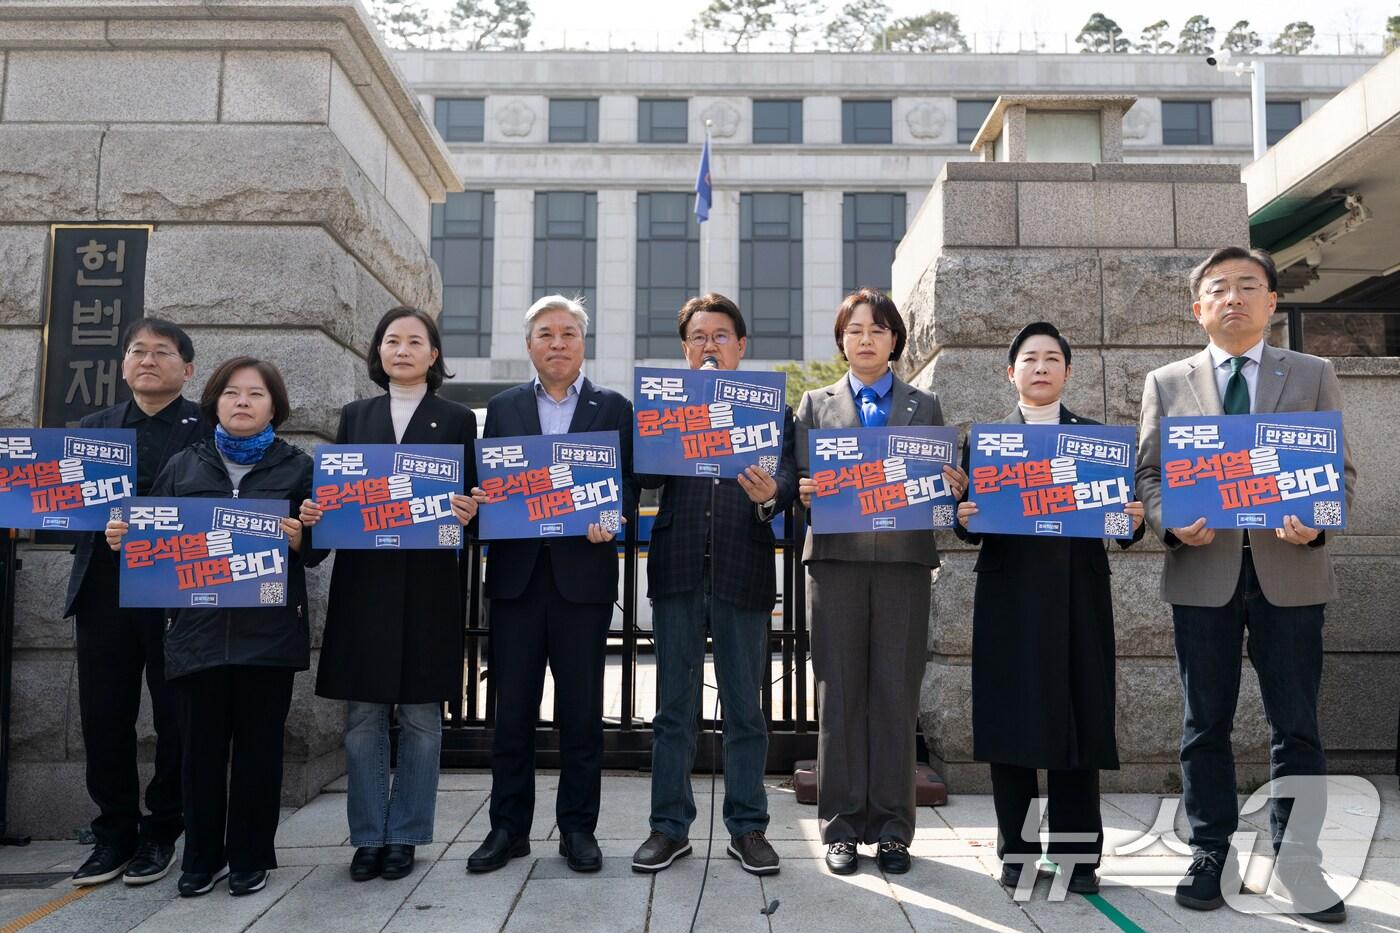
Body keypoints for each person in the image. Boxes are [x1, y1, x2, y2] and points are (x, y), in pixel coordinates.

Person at [1136, 247, 1355, 923]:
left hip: (1290, 571)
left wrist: (1315, 525)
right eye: (1218, 289)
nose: (1233, 298)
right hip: (1204, 573)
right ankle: (1210, 852)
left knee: (1298, 724)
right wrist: (1171, 520)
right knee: (1206, 722)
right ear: (1196, 306)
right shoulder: (1167, 381)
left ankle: (1299, 861)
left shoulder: (1313, 373)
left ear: (1272, 302)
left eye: (1248, 287)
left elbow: (1340, 475)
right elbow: (1148, 477)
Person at [105, 357, 318, 898]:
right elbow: (151, 538)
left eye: (255, 393)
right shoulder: (184, 465)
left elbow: (321, 546)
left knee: (259, 752)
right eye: (231, 392)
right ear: (215, 402)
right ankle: (201, 857)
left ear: (275, 405)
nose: (242, 401)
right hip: (196, 631)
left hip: (268, 632)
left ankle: (250, 856)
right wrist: (123, 538)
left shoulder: (299, 467)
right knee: (197, 753)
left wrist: (301, 539)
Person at [955, 322, 1144, 895]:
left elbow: (1120, 524)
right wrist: (961, 516)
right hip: (1009, 598)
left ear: (1067, 371)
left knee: (1079, 719)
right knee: (1010, 717)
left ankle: (1078, 857)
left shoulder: (1097, 442)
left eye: (1052, 358)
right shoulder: (984, 442)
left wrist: (1132, 521)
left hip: (1078, 596)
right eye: (1029, 358)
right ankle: (1015, 852)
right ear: (1010, 372)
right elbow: (967, 519)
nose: (1041, 367)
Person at [298, 307, 479, 883]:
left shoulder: (455, 420)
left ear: (433, 355)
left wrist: (467, 511)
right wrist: (317, 513)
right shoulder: (355, 416)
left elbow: (471, 508)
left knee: (424, 716)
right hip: (365, 584)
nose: (402, 349)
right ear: (378, 353)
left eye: (415, 341)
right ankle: (367, 835)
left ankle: (406, 834)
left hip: (429, 584)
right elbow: (340, 497)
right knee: (364, 716)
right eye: (391, 340)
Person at [793, 288, 966, 876]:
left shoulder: (927, 405)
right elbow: (794, 484)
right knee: (839, 695)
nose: (865, 338)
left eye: (878, 329)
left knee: (896, 695)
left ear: (896, 340)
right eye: (854, 329)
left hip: (903, 567)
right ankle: (840, 826)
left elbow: (939, 489)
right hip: (836, 566)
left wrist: (951, 483)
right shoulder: (814, 406)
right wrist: (802, 490)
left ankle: (893, 828)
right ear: (841, 340)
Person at [465, 295, 636, 875]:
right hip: (515, 580)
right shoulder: (503, 407)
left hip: (581, 583)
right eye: (545, 334)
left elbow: (630, 491)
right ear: (529, 344)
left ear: (583, 342)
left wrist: (611, 519)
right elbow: (481, 486)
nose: (557, 342)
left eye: (567, 332)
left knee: (582, 715)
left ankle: (578, 830)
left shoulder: (614, 408)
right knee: (510, 712)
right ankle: (507, 829)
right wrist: (486, 502)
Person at [631, 293, 797, 877]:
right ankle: (668, 828)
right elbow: (644, 473)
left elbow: (787, 486)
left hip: (742, 568)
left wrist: (767, 497)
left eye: (721, 336)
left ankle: (748, 827)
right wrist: (666, 423)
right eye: (698, 337)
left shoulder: (773, 412)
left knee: (745, 711)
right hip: (678, 567)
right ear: (685, 349)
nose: (709, 346)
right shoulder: (665, 407)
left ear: (740, 346)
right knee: (674, 708)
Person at [64, 319, 211, 887]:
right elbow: (63, 512)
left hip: (177, 593)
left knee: (177, 715)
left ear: (188, 368)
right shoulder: (92, 429)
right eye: (136, 351)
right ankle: (114, 832)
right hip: (104, 592)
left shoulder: (206, 427)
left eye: (162, 352)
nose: (147, 361)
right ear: (123, 365)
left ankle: (164, 828)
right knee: (104, 715)